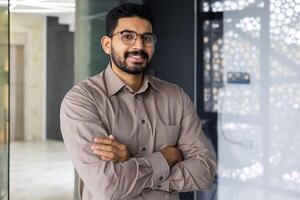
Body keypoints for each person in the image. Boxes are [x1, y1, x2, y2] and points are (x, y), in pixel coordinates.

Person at [60, 3, 216, 200]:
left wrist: (131, 162)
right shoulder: (82, 101)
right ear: (107, 44)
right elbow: (108, 186)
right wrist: (167, 158)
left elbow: (204, 172)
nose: (139, 46)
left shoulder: (175, 97)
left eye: (147, 38)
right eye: (127, 36)